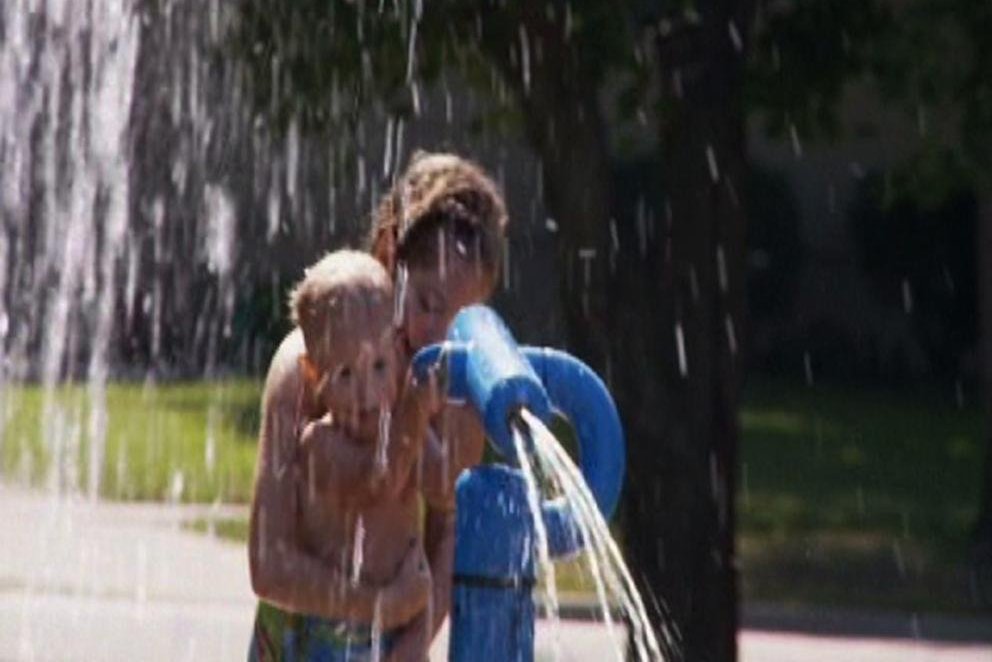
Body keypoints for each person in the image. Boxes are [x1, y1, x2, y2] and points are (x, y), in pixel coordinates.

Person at [248, 250, 441, 661]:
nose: (366, 394)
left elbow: (445, 489)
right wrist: (416, 413)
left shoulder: (404, 424)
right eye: (346, 374)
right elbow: (380, 480)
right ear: (315, 377)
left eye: (379, 367)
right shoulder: (320, 446)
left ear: (399, 355)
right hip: (326, 637)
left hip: (389, 634)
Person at [369, 151, 509, 644]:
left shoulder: (455, 398)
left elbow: (448, 530)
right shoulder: (336, 357)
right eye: (428, 305)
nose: (437, 338)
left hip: (388, 636)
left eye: (457, 323)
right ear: (391, 256)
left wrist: (412, 646)